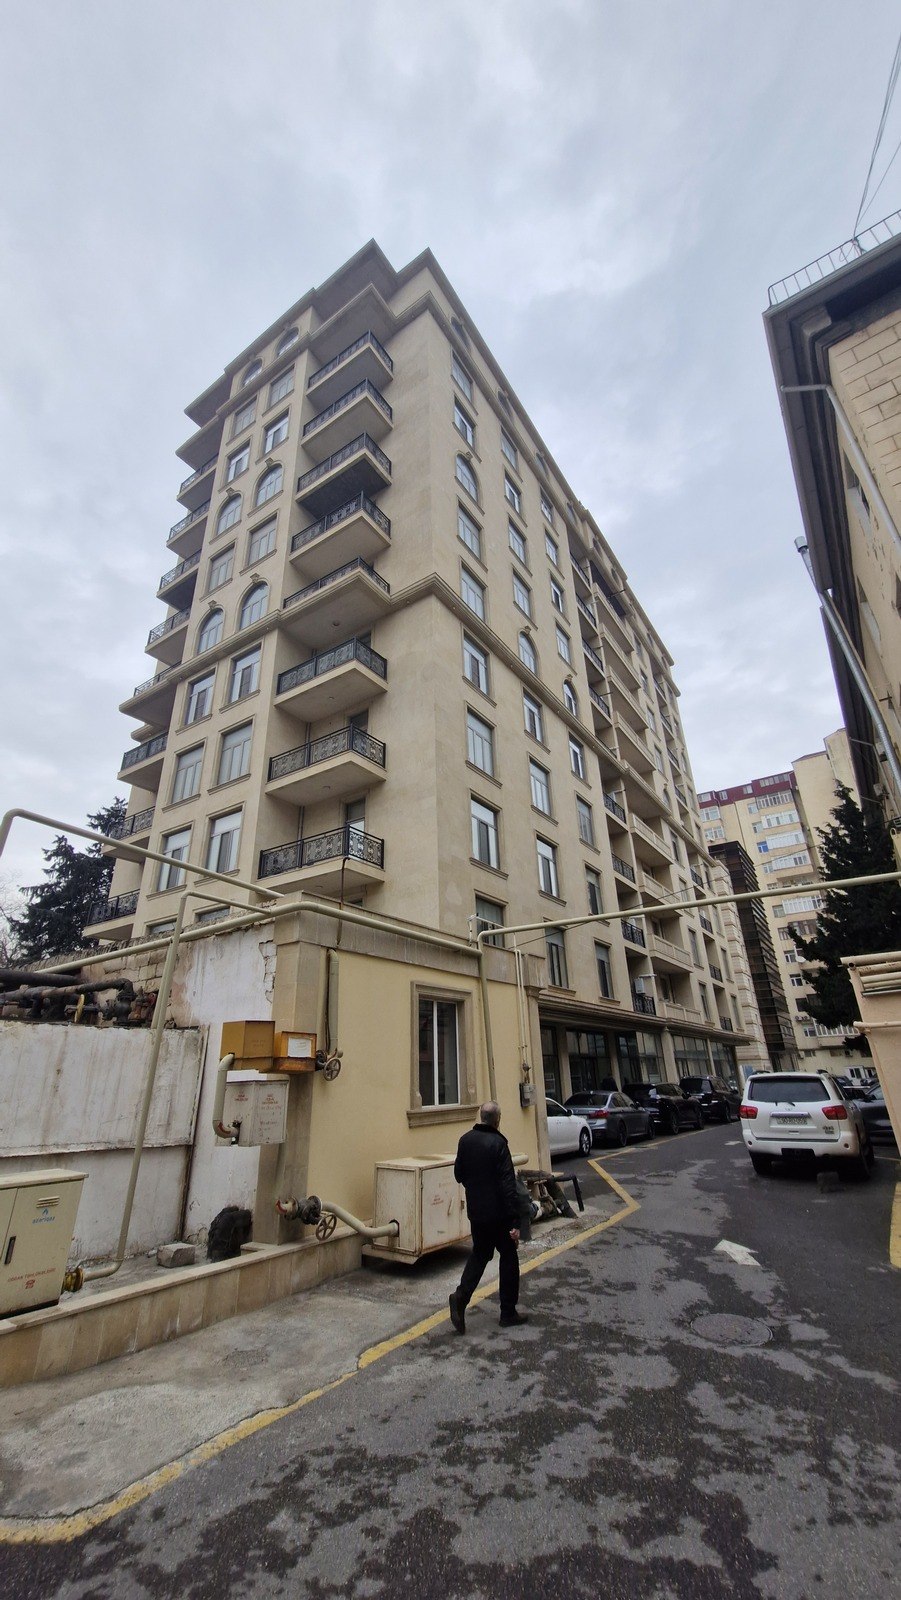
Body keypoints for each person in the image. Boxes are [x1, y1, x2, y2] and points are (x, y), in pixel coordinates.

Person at [448, 1101, 528, 1333]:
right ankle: (508, 1312)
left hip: (477, 1212)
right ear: (497, 1120)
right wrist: (514, 1221)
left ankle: (460, 1297)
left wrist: (475, 1189)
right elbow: (508, 1185)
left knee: (481, 1254)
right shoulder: (499, 1144)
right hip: (499, 1214)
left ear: (481, 1117)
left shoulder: (465, 1140)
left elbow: (458, 1174)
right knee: (509, 1256)